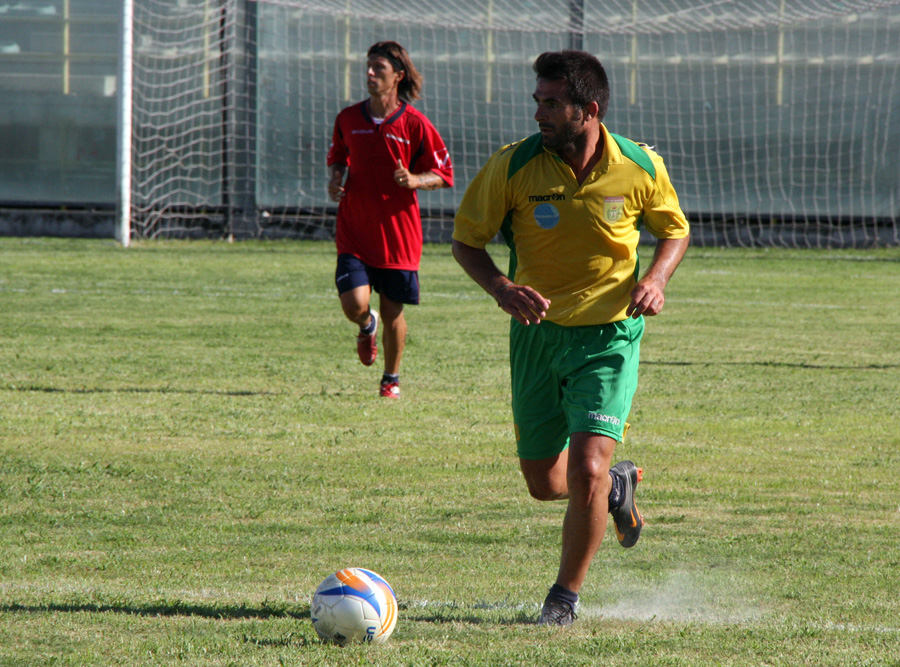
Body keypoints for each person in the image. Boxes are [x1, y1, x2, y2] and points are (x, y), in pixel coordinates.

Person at [452, 50, 690, 626]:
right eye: (538, 101)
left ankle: (563, 600)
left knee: (584, 468)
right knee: (544, 483)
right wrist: (502, 287)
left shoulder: (640, 165)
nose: (540, 113)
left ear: (590, 109)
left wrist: (656, 279)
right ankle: (616, 485)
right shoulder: (513, 165)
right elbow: (466, 241)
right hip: (537, 337)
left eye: (553, 104)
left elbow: (674, 229)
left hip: (609, 338)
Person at [327, 41, 453, 398]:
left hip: (398, 236)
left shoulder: (415, 123)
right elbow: (338, 157)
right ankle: (367, 324)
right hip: (354, 229)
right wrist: (335, 179)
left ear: (397, 76)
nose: (369, 73)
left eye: (378, 68)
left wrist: (415, 180)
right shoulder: (348, 118)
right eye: (368, 66)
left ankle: (390, 379)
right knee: (354, 304)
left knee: (393, 311)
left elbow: (443, 174)